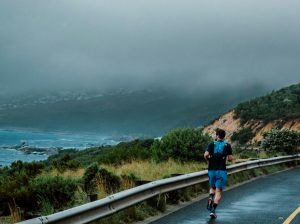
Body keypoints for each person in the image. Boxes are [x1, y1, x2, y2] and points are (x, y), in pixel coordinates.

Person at [204, 128, 233, 219]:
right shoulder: (227, 145)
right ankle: (213, 210)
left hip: (211, 170)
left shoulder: (211, 144)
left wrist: (209, 160)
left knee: (212, 187)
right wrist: (227, 158)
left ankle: (210, 198)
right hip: (221, 170)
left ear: (217, 136)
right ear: (224, 136)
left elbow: (205, 155)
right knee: (219, 190)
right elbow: (230, 158)